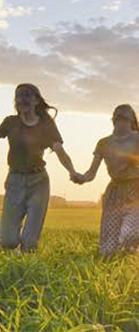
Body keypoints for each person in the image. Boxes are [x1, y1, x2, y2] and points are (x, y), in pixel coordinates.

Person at [75, 104, 139, 257]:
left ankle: (130, 250)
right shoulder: (104, 143)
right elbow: (91, 172)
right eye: (118, 116)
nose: (121, 118)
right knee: (107, 253)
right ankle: (123, 262)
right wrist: (81, 178)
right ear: (113, 120)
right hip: (113, 194)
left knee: (131, 235)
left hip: (135, 192)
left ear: (131, 120)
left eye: (124, 116)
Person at [0, 84, 81, 251]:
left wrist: (72, 171)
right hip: (15, 180)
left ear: (36, 100)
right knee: (8, 241)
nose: (22, 99)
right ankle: (14, 250)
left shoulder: (46, 125)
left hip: (38, 182)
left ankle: (25, 271)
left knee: (30, 243)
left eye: (27, 95)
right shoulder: (10, 122)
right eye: (19, 96)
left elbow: (59, 150)